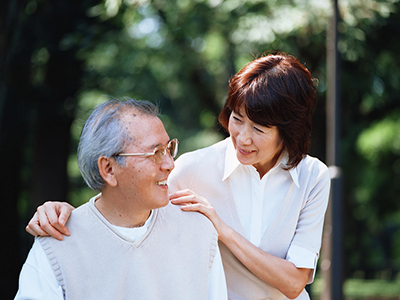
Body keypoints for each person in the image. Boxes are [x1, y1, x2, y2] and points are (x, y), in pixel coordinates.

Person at [26, 53, 331, 299]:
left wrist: (221, 229)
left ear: (287, 130)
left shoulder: (312, 176)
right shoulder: (192, 168)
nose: (243, 137)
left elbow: (294, 283)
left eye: (260, 129)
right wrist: (63, 212)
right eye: (237, 120)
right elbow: (128, 200)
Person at [16, 99, 227, 300]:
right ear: (108, 169)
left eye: (168, 149)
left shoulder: (198, 232)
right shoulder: (57, 244)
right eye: (156, 153)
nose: (170, 164)